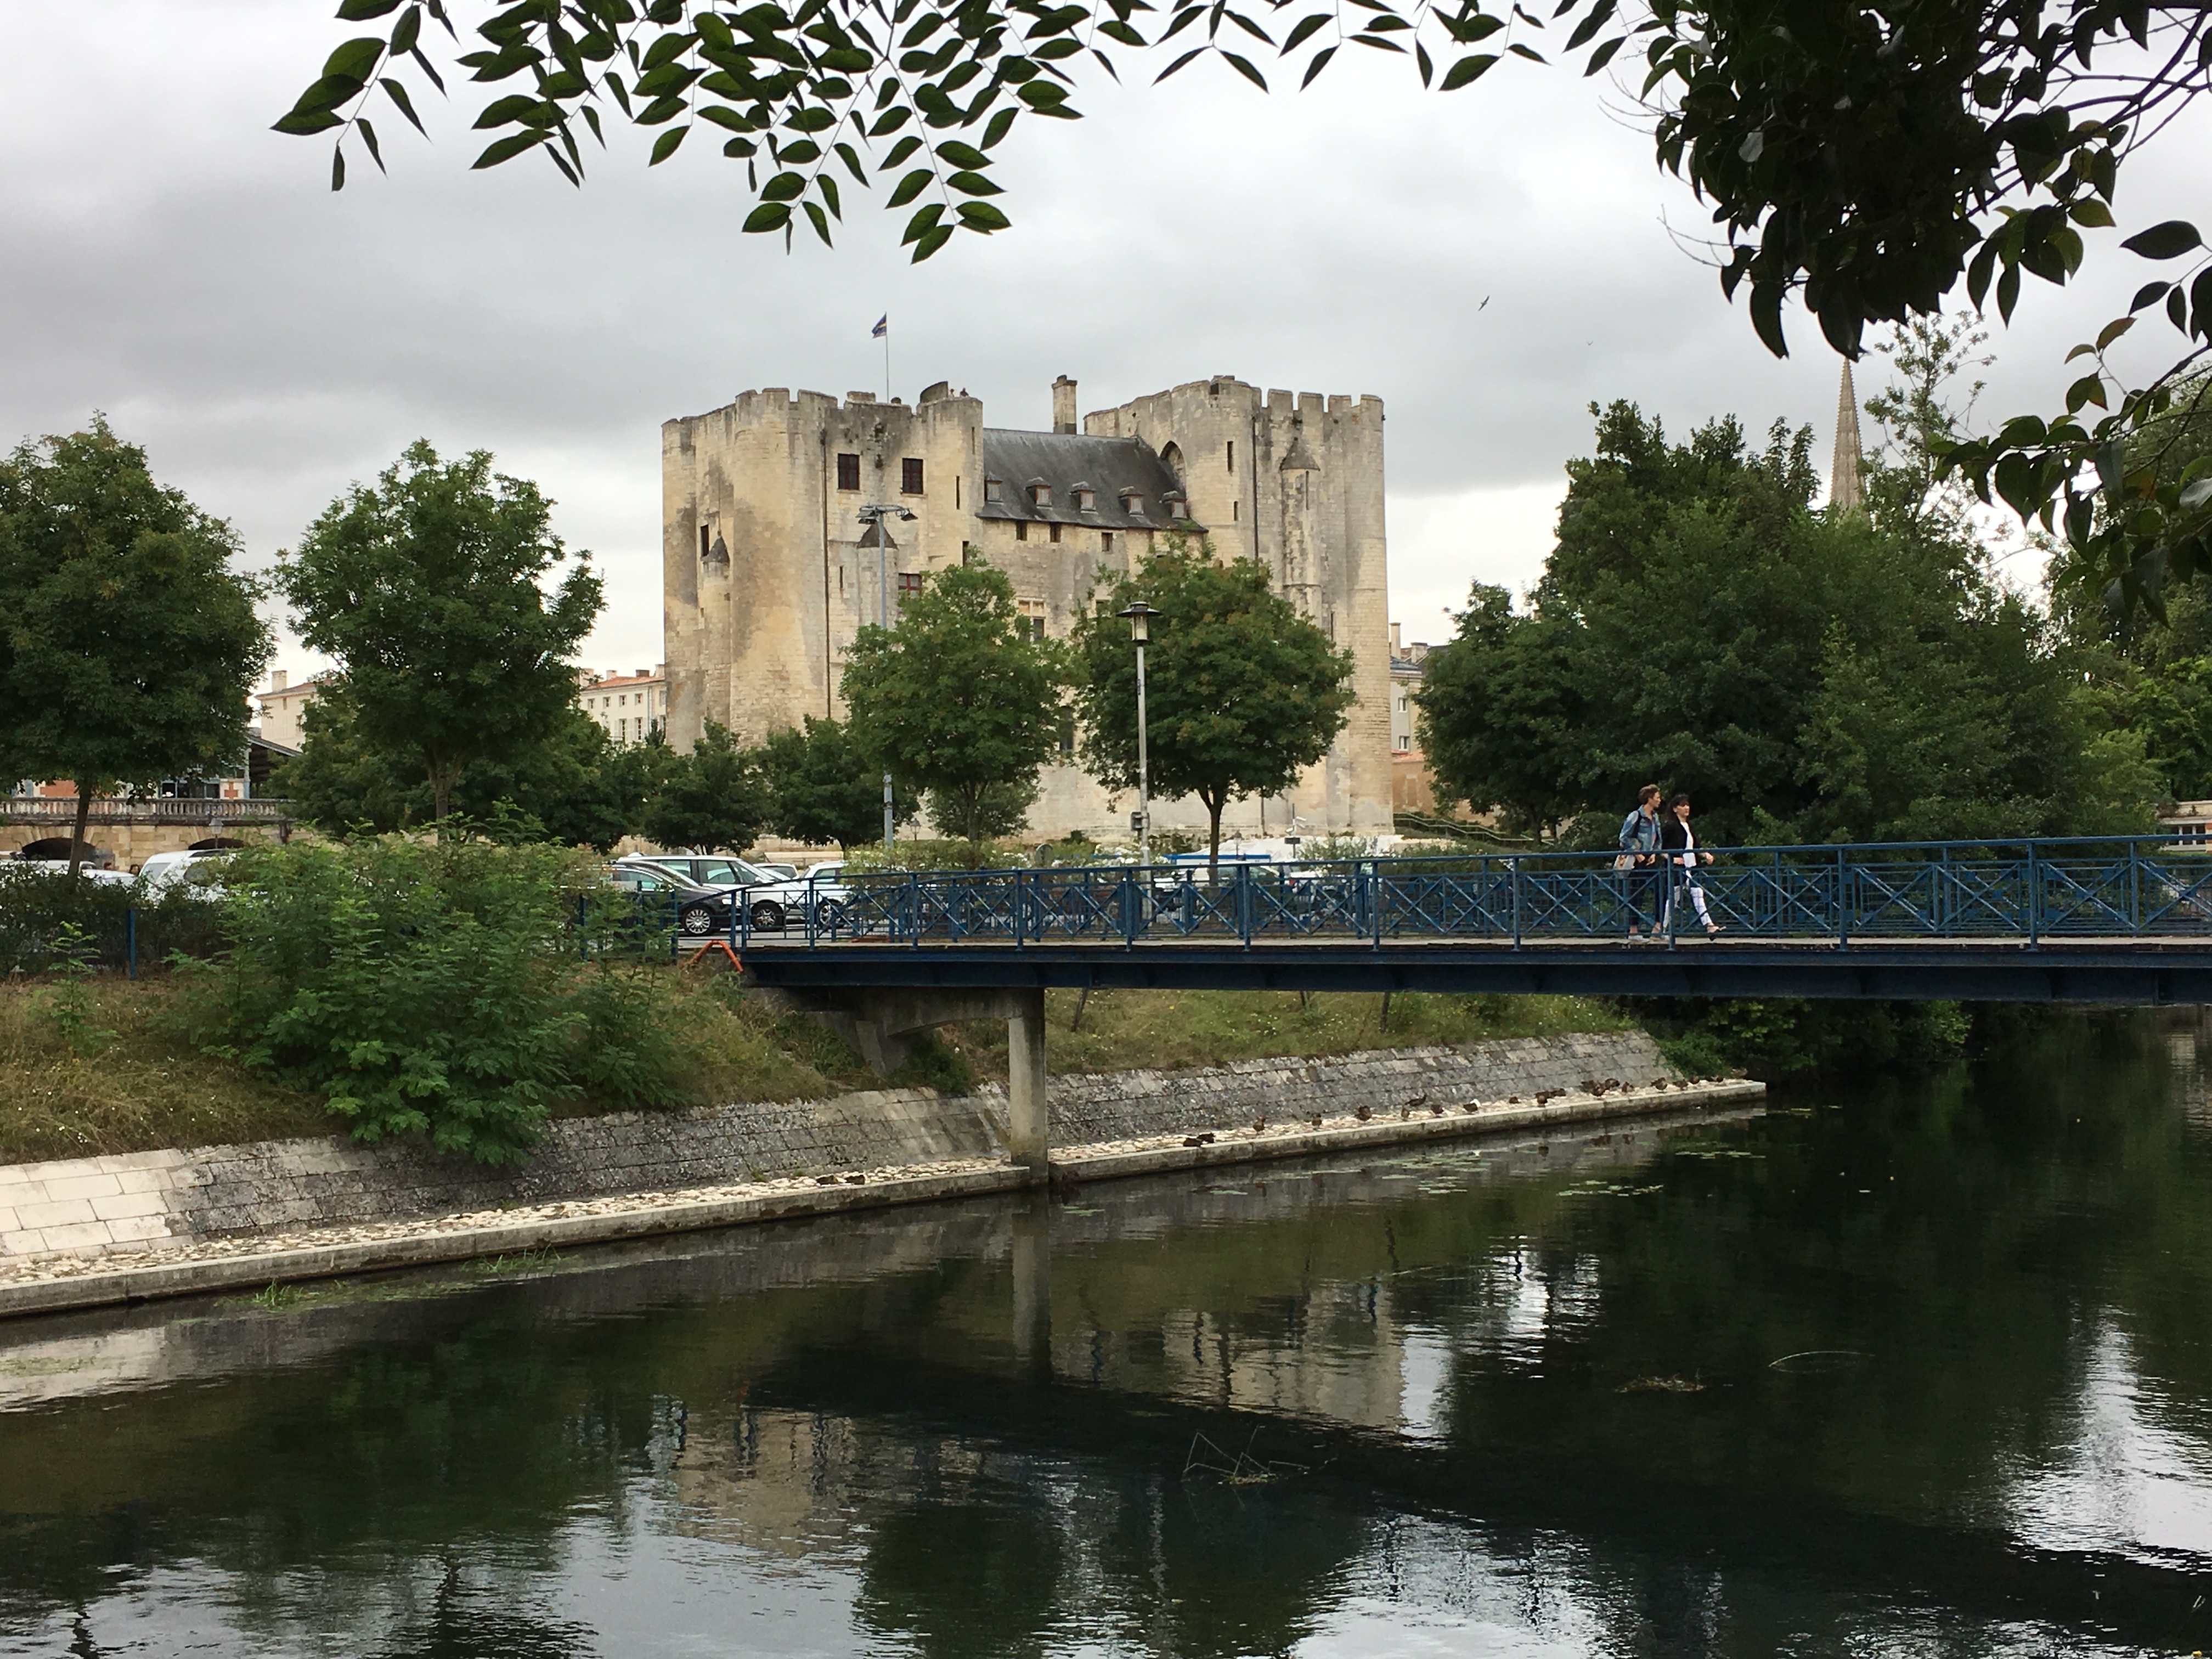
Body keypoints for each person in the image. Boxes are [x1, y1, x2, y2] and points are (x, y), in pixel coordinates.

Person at [1659, 793, 1723, 936]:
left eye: (1687, 805)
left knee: (1697, 893)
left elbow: (1695, 846)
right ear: (1675, 809)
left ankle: (1709, 925)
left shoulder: (1688, 826)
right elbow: (1659, 847)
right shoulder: (1670, 826)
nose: (1687, 808)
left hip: (1690, 868)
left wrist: (1705, 855)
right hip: (1677, 869)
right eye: (1683, 805)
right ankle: (1661, 930)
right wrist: (1672, 859)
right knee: (1673, 900)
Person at [1617, 784, 1664, 940]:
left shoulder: (1655, 817)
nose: (1660, 800)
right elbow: (1623, 837)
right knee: (1637, 894)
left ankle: (1658, 928)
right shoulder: (1636, 816)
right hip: (1638, 860)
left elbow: (1658, 838)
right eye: (1657, 798)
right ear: (1649, 799)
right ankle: (1633, 931)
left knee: (1661, 890)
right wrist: (1636, 853)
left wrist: (1655, 853)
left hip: (1650, 859)